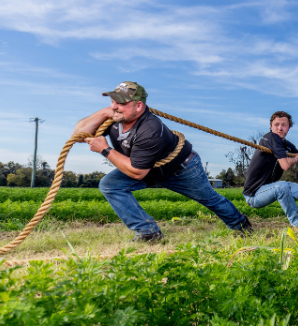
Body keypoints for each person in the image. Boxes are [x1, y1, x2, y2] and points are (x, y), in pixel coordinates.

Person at [73, 81, 253, 242]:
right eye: (113, 101)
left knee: (210, 200)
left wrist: (105, 149)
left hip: (182, 169)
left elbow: (137, 172)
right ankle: (147, 232)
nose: (115, 107)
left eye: (122, 103)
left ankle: (240, 224)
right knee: (110, 184)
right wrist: (105, 111)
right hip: (148, 168)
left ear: (139, 106)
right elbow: (78, 135)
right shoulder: (114, 117)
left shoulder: (150, 129)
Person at [242, 111, 298, 230]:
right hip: (254, 195)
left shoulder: (286, 144)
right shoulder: (270, 138)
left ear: (289, 127)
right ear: (271, 127)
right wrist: (297, 159)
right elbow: (286, 165)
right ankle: (297, 227)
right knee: (281, 187)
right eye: (276, 124)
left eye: (284, 125)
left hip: (269, 188)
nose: (280, 128)